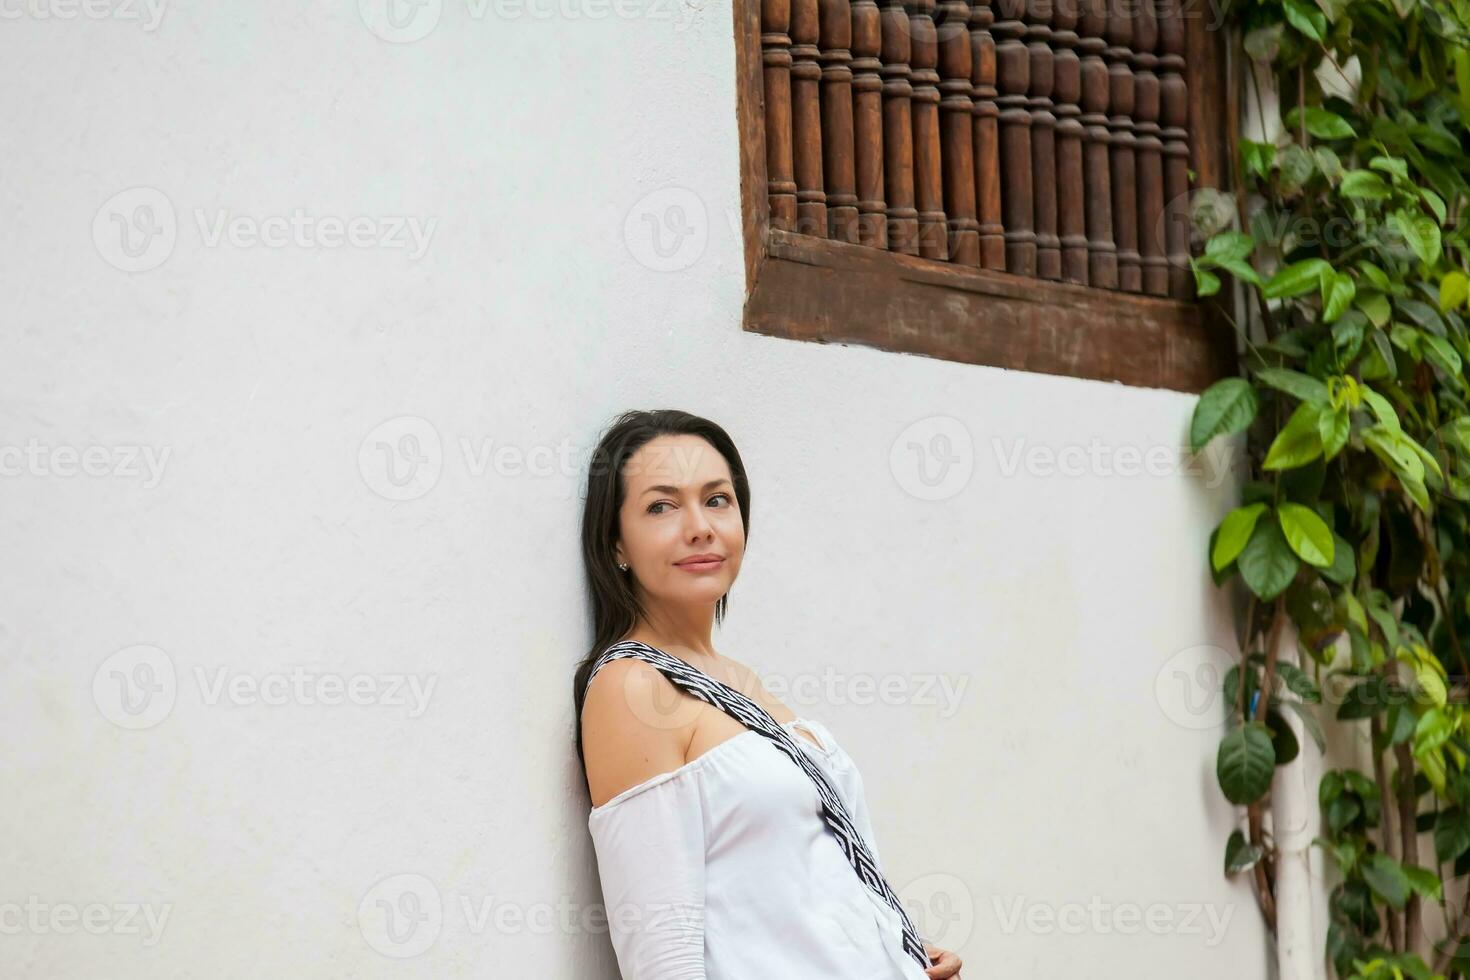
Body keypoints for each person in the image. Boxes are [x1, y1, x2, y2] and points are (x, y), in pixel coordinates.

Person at [571, 409, 964, 980]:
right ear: (616, 545)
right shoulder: (631, 688)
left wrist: (898, 945)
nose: (699, 526)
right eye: (661, 506)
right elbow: (663, 960)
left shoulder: (738, 677)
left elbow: (789, 885)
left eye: (717, 499)